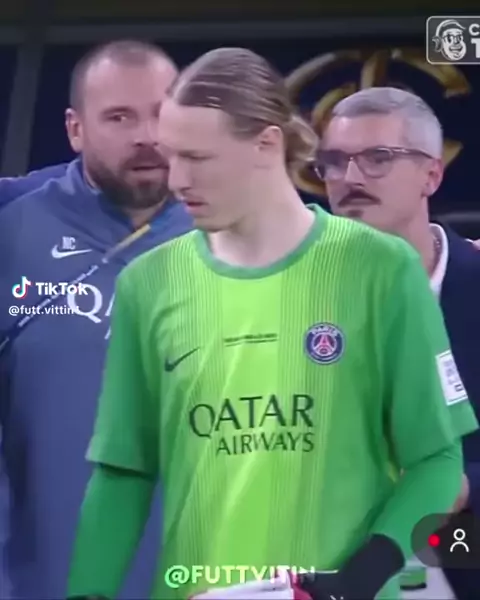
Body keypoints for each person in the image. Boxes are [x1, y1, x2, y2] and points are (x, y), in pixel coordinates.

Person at [67, 48, 477, 600]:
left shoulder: (381, 267)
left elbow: (437, 461)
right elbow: (123, 472)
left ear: (266, 145)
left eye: (199, 158)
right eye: (172, 156)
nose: (177, 180)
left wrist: (357, 580)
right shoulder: (148, 282)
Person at [0, 39, 192, 599]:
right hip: (42, 579)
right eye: (119, 117)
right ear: (75, 129)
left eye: (162, 113)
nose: (147, 136)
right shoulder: (13, 228)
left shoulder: (238, 229)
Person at [318, 86, 480, 599]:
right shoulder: (292, 298)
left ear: (432, 174)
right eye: (334, 162)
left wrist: (463, 485)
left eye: (378, 158)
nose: (351, 178)